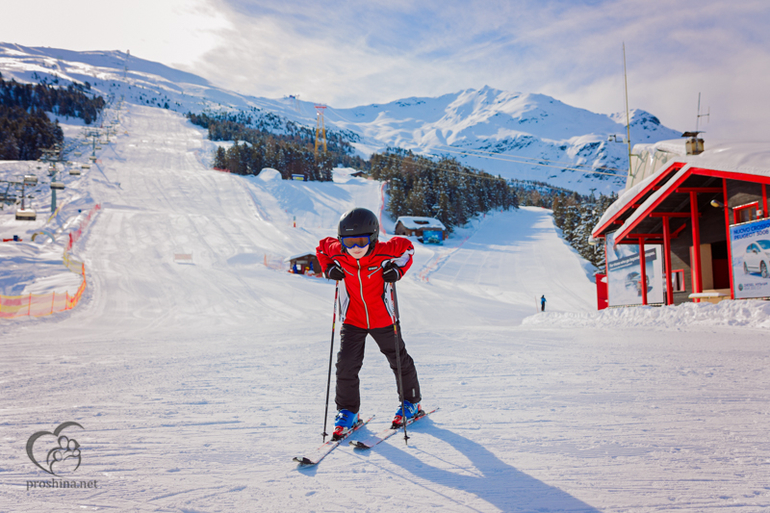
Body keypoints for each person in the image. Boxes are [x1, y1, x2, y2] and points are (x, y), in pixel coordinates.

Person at [316, 207, 423, 440]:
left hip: (383, 318)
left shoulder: (385, 251)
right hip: (353, 319)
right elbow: (322, 247)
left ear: (373, 237)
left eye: (361, 241)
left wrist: (398, 270)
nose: (355, 248)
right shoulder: (339, 251)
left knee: (398, 359)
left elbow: (408, 249)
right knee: (346, 365)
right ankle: (348, 412)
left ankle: (411, 403)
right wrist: (329, 268)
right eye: (348, 242)